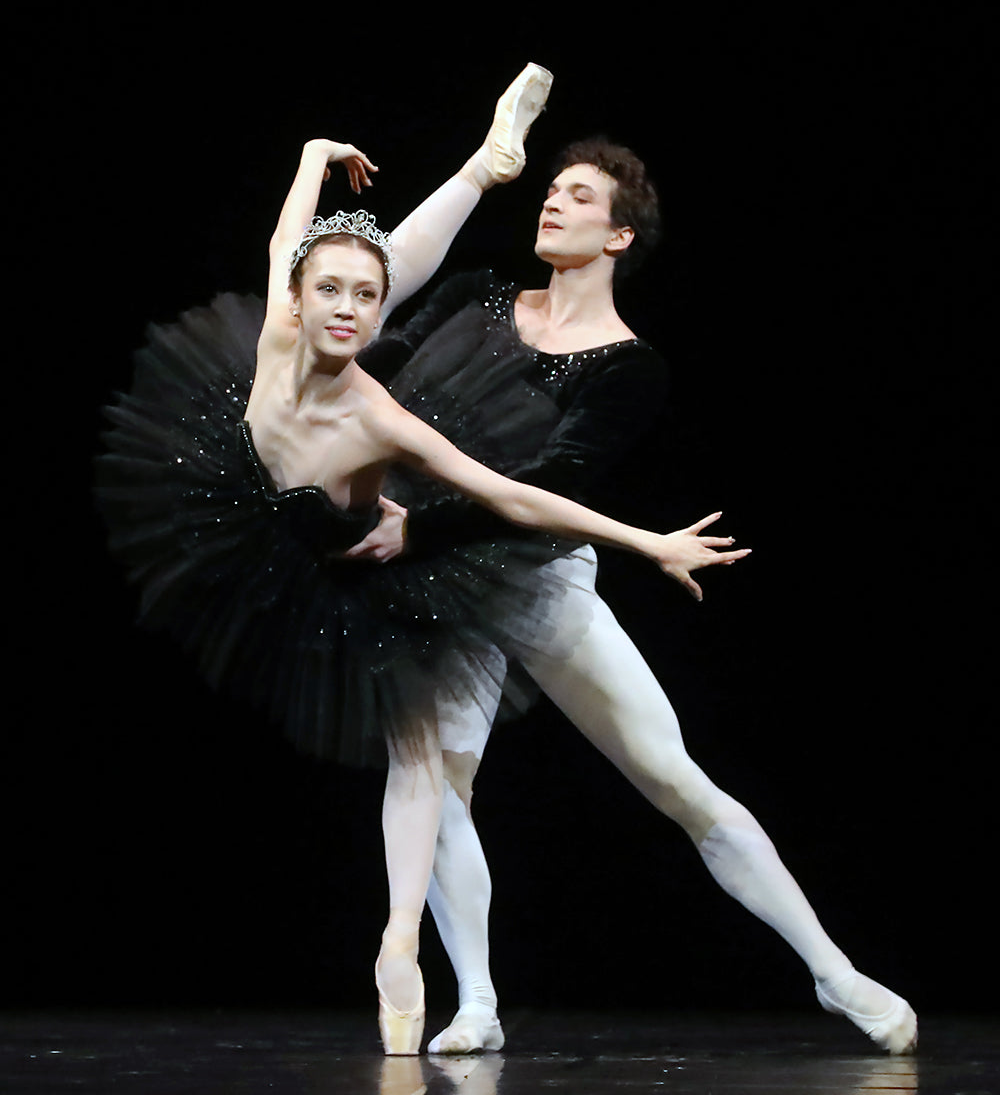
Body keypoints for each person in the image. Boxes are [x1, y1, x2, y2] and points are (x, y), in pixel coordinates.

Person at [97, 67, 748, 1055]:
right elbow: (294, 245)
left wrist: (641, 538)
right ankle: (485, 164)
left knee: (419, 760)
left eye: (368, 296)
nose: (355, 307)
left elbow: (513, 494)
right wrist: (314, 157)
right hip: (282, 532)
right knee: (416, 760)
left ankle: (399, 941)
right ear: (301, 298)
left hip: (373, 548)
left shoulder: (376, 405)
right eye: (335, 292)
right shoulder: (280, 327)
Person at [347, 135, 918, 1058]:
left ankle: (833, 971)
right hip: (435, 582)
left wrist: (419, 526)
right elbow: (379, 372)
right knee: (437, 782)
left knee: (671, 776)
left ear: (617, 237)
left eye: (578, 197)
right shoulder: (478, 294)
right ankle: (477, 1002)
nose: (553, 204)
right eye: (551, 191)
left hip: (535, 575)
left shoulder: (627, 367)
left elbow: (552, 479)